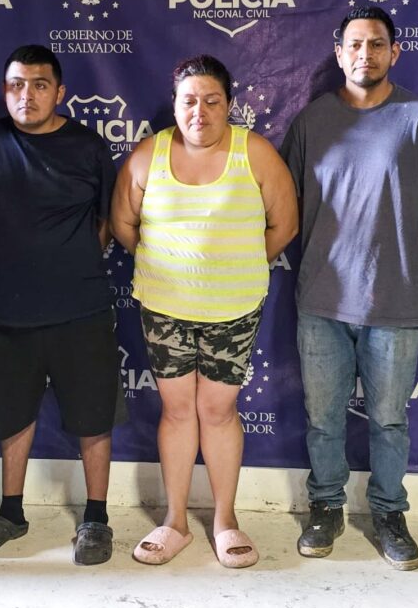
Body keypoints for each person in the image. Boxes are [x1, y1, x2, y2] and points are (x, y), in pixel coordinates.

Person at [281, 6, 418, 570]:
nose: (366, 54)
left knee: (388, 421)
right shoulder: (311, 122)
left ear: (394, 52)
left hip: (396, 301)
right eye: (355, 44)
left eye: (377, 44)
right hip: (322, 301)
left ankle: (388, 513)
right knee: (323, 419)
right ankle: (326, 506)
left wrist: (405, 253)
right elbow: (284, 205)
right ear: (339, 53)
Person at [111, 54, 297, 568]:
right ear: (175, 105)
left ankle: (224, 520)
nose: (200, 111)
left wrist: (233, 266)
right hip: (165, 310)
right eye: (190, 101)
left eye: (212, 101)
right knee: (176, 411)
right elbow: (124, 225)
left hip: (233, 310)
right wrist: (170, 266)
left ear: (229, 105)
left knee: (218, 412)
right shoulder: (147, 155)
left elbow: (284, 224)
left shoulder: (254, 153)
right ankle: (174, 521)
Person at [0, 45, 120, 565]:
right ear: (5, 90)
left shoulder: (88, 146)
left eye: (39, 84)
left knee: (92, 416)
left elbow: (106, 224)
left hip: (80, 307)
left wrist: (65, 262)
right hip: (5, 310)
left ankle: (96, 519)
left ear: (59, 91)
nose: (26, 95)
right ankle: (10, 514)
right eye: (16, 85)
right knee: (12, 415)